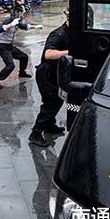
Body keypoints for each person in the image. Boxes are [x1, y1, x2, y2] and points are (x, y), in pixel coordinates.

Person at [29, 12, 71, 147]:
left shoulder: (70, 32)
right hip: (46, 74)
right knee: (51, 103)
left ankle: (49, 126)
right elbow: (48, 54)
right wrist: (70, 52)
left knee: (56, 100)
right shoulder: (58, 34)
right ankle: (35, 133)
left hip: (55, 74)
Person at [0, 6, 43, 89]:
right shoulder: (8, 20)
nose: (22, 15)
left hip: (10, 46)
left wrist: (37, 27)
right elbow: (0, 29)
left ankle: (22, 73)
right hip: (3, 47)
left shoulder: (17, 22)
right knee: (10, 66)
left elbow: (26, 26)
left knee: (24, 57)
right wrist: (11, 24)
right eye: (21, 13)